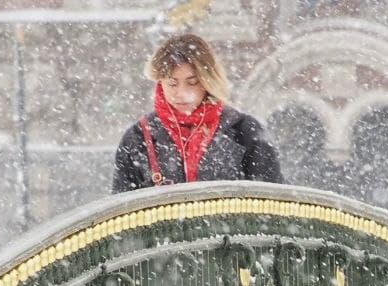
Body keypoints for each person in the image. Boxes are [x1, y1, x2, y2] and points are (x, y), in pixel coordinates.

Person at [112, 33, 284, 193]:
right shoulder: (138, 137)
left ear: (208, 81)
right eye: (172, 83)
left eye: (192, 82)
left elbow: (272, 202)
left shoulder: (245, 131)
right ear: (160, 82)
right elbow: (120, 211)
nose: (182, 93)